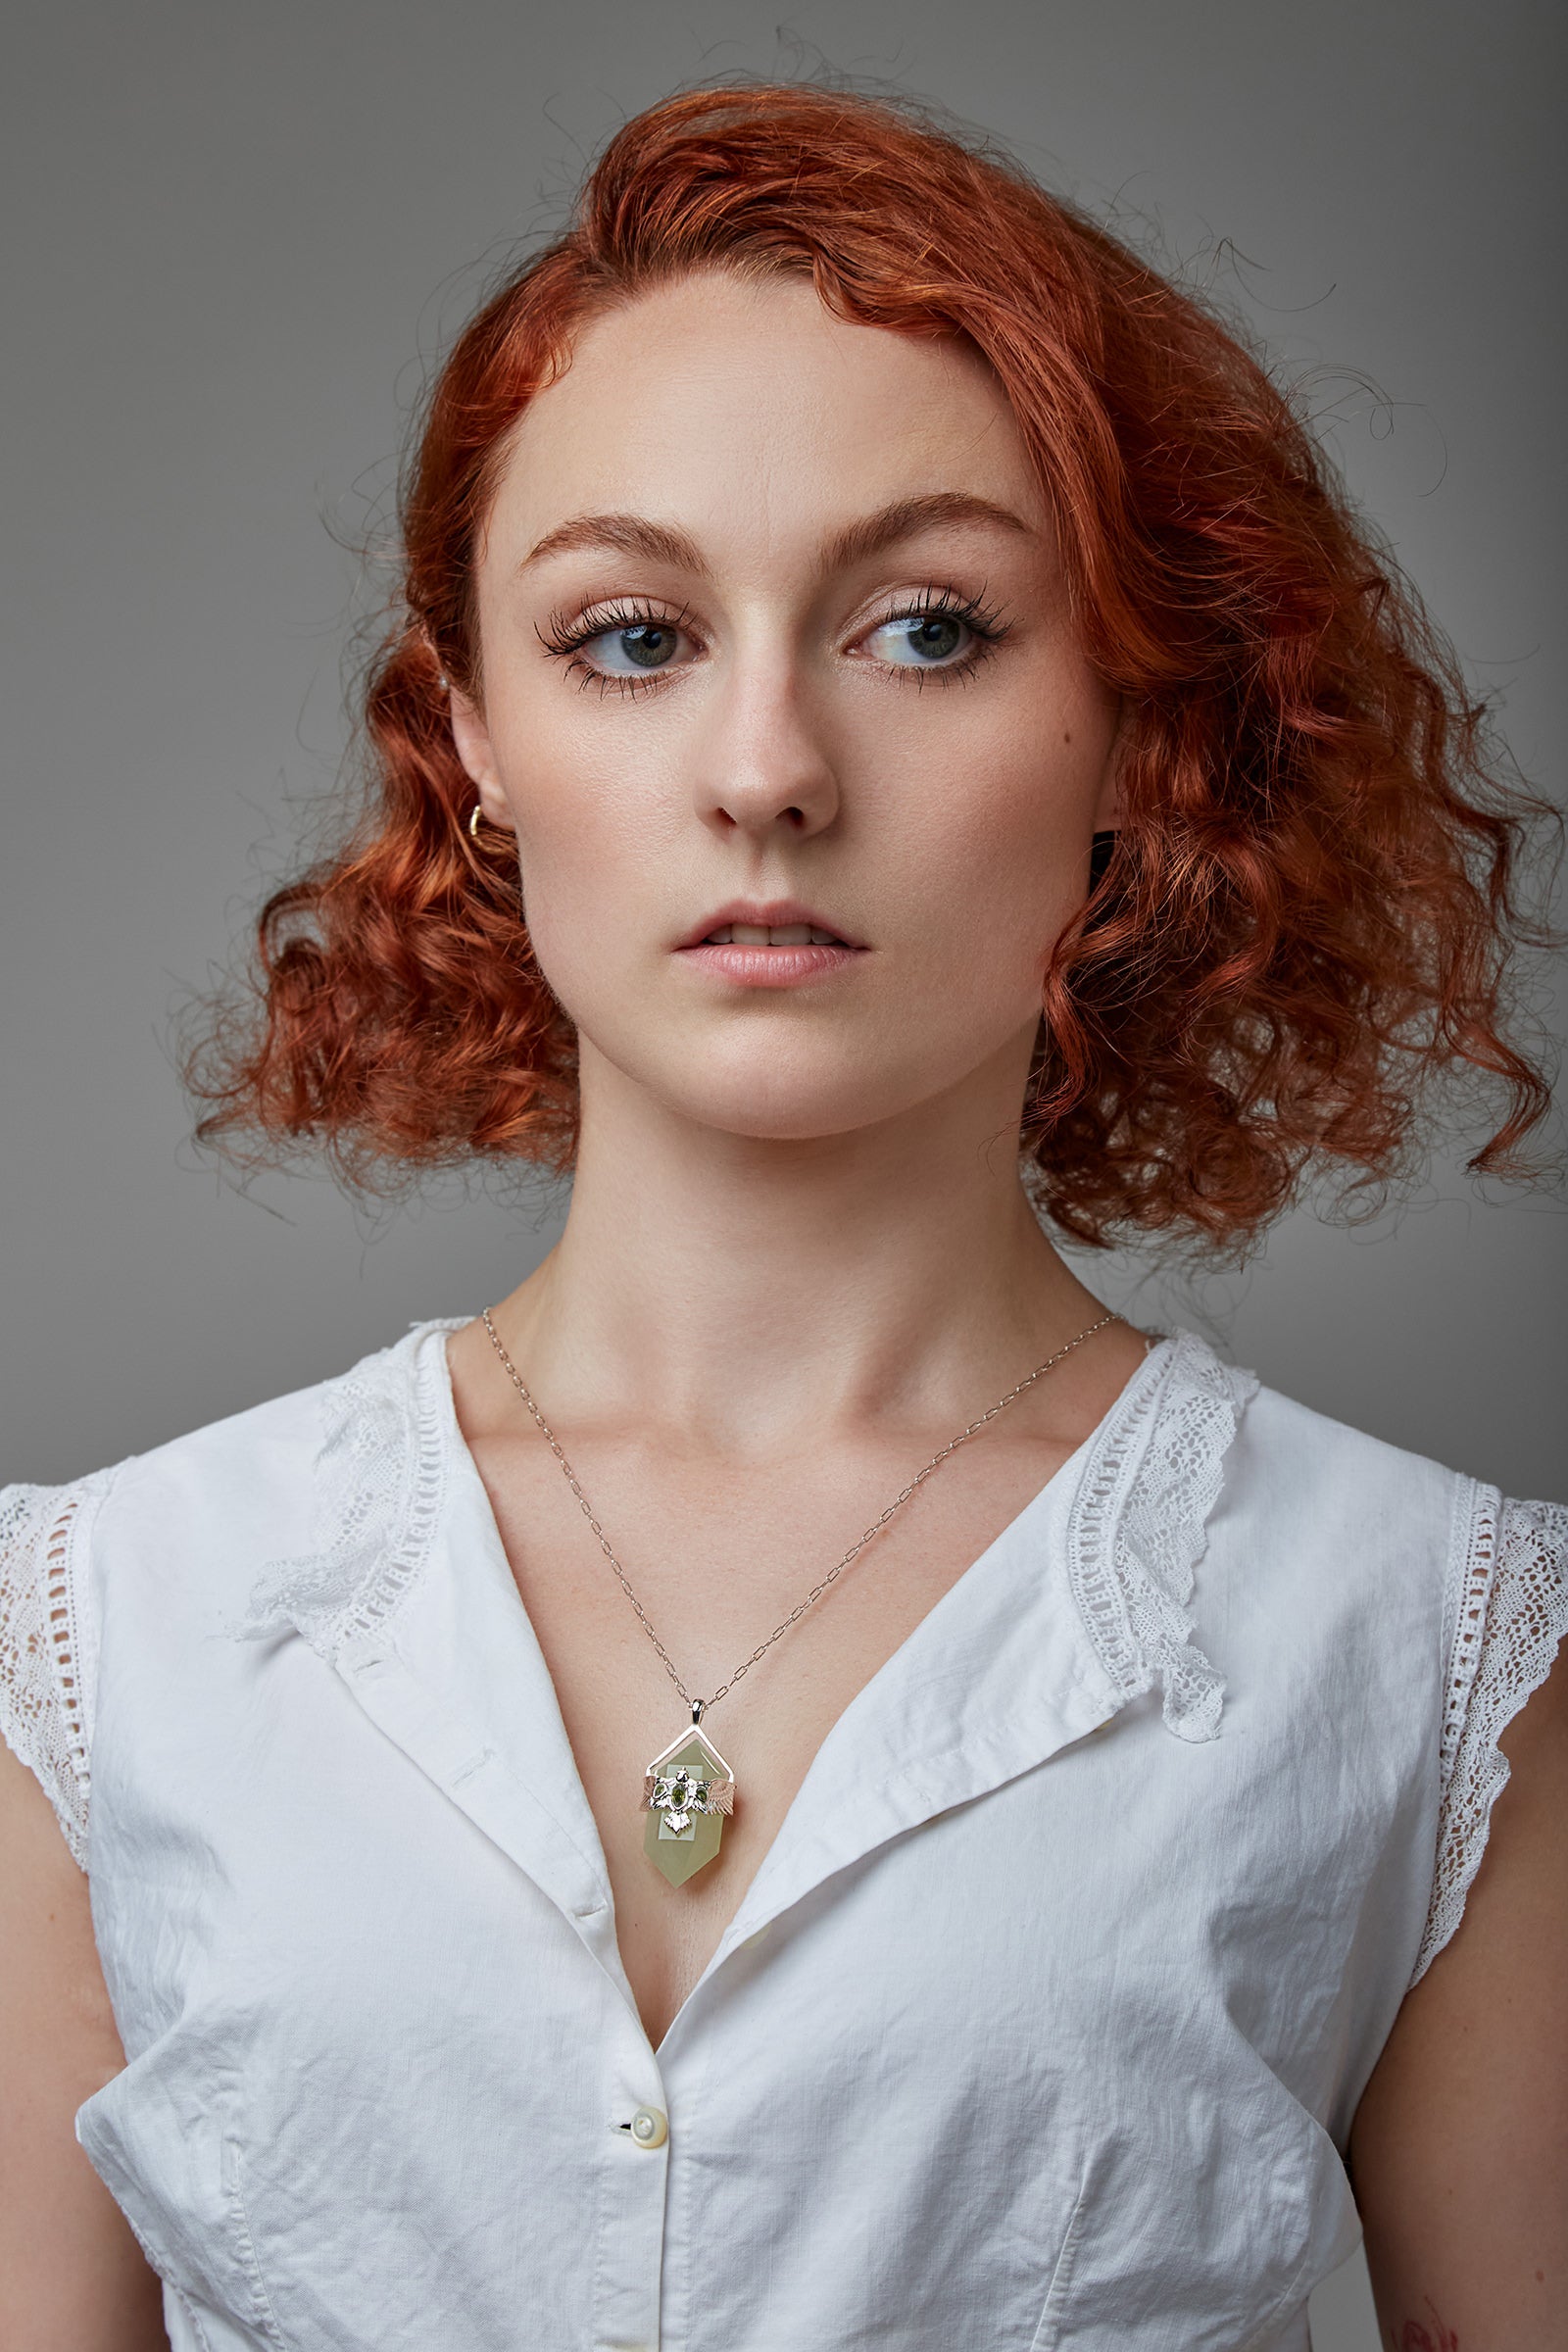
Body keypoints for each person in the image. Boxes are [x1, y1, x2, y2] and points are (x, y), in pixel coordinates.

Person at [1, 78, 1563, 2352]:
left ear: (1139, 731)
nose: (766, 772)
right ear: (476, 750)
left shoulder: (1424, 1644)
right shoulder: (104, 1626)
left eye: (924, 627)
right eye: (630, 638)